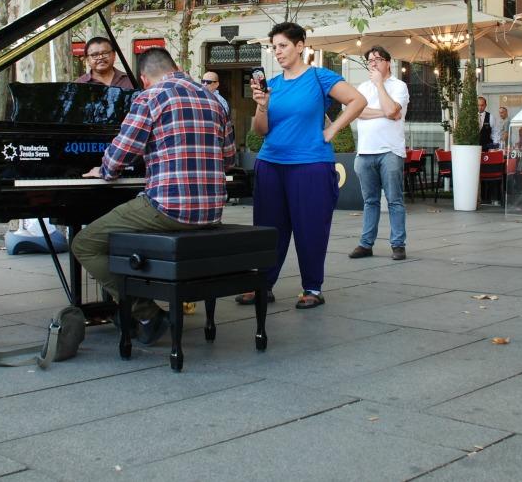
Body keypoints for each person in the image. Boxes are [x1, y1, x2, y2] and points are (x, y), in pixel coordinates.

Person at [71, 48, 234, 345]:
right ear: (177, 66)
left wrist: (104, 169)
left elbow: (120, 154)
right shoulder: (214, 99)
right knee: (122, 229)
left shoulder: (150, 97)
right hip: (211, 211)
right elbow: (229, 160)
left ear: (144, 79)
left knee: (85, 243)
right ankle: (133, 303)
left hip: (168, 209)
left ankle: (145, 312)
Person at [239, 22, 366, 309]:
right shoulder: (271, 85)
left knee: (310, 228)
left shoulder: (319, 77)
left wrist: (332, 131)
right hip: (270, 164)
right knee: (267, 229)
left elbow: (358, 101)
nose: (278, 52)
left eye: (283, 46)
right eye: (274, 47)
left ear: (300, 46)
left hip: (310, 165)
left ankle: (312, 287)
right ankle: (263, 284)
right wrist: (261, 104)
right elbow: (260, 131)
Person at [348, 46, 410, 261]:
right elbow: (357, 112)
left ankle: (398, 244)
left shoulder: (399, 86)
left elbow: (394, 111)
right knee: (370, 201)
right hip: (365, 151)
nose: (373, 63)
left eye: (377, 59)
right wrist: (385, 111)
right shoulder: (362, 87)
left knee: (394, 200)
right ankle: (366, 244)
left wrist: (379, 85)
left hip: (390, 151)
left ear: (388, 63)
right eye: (369, 60)